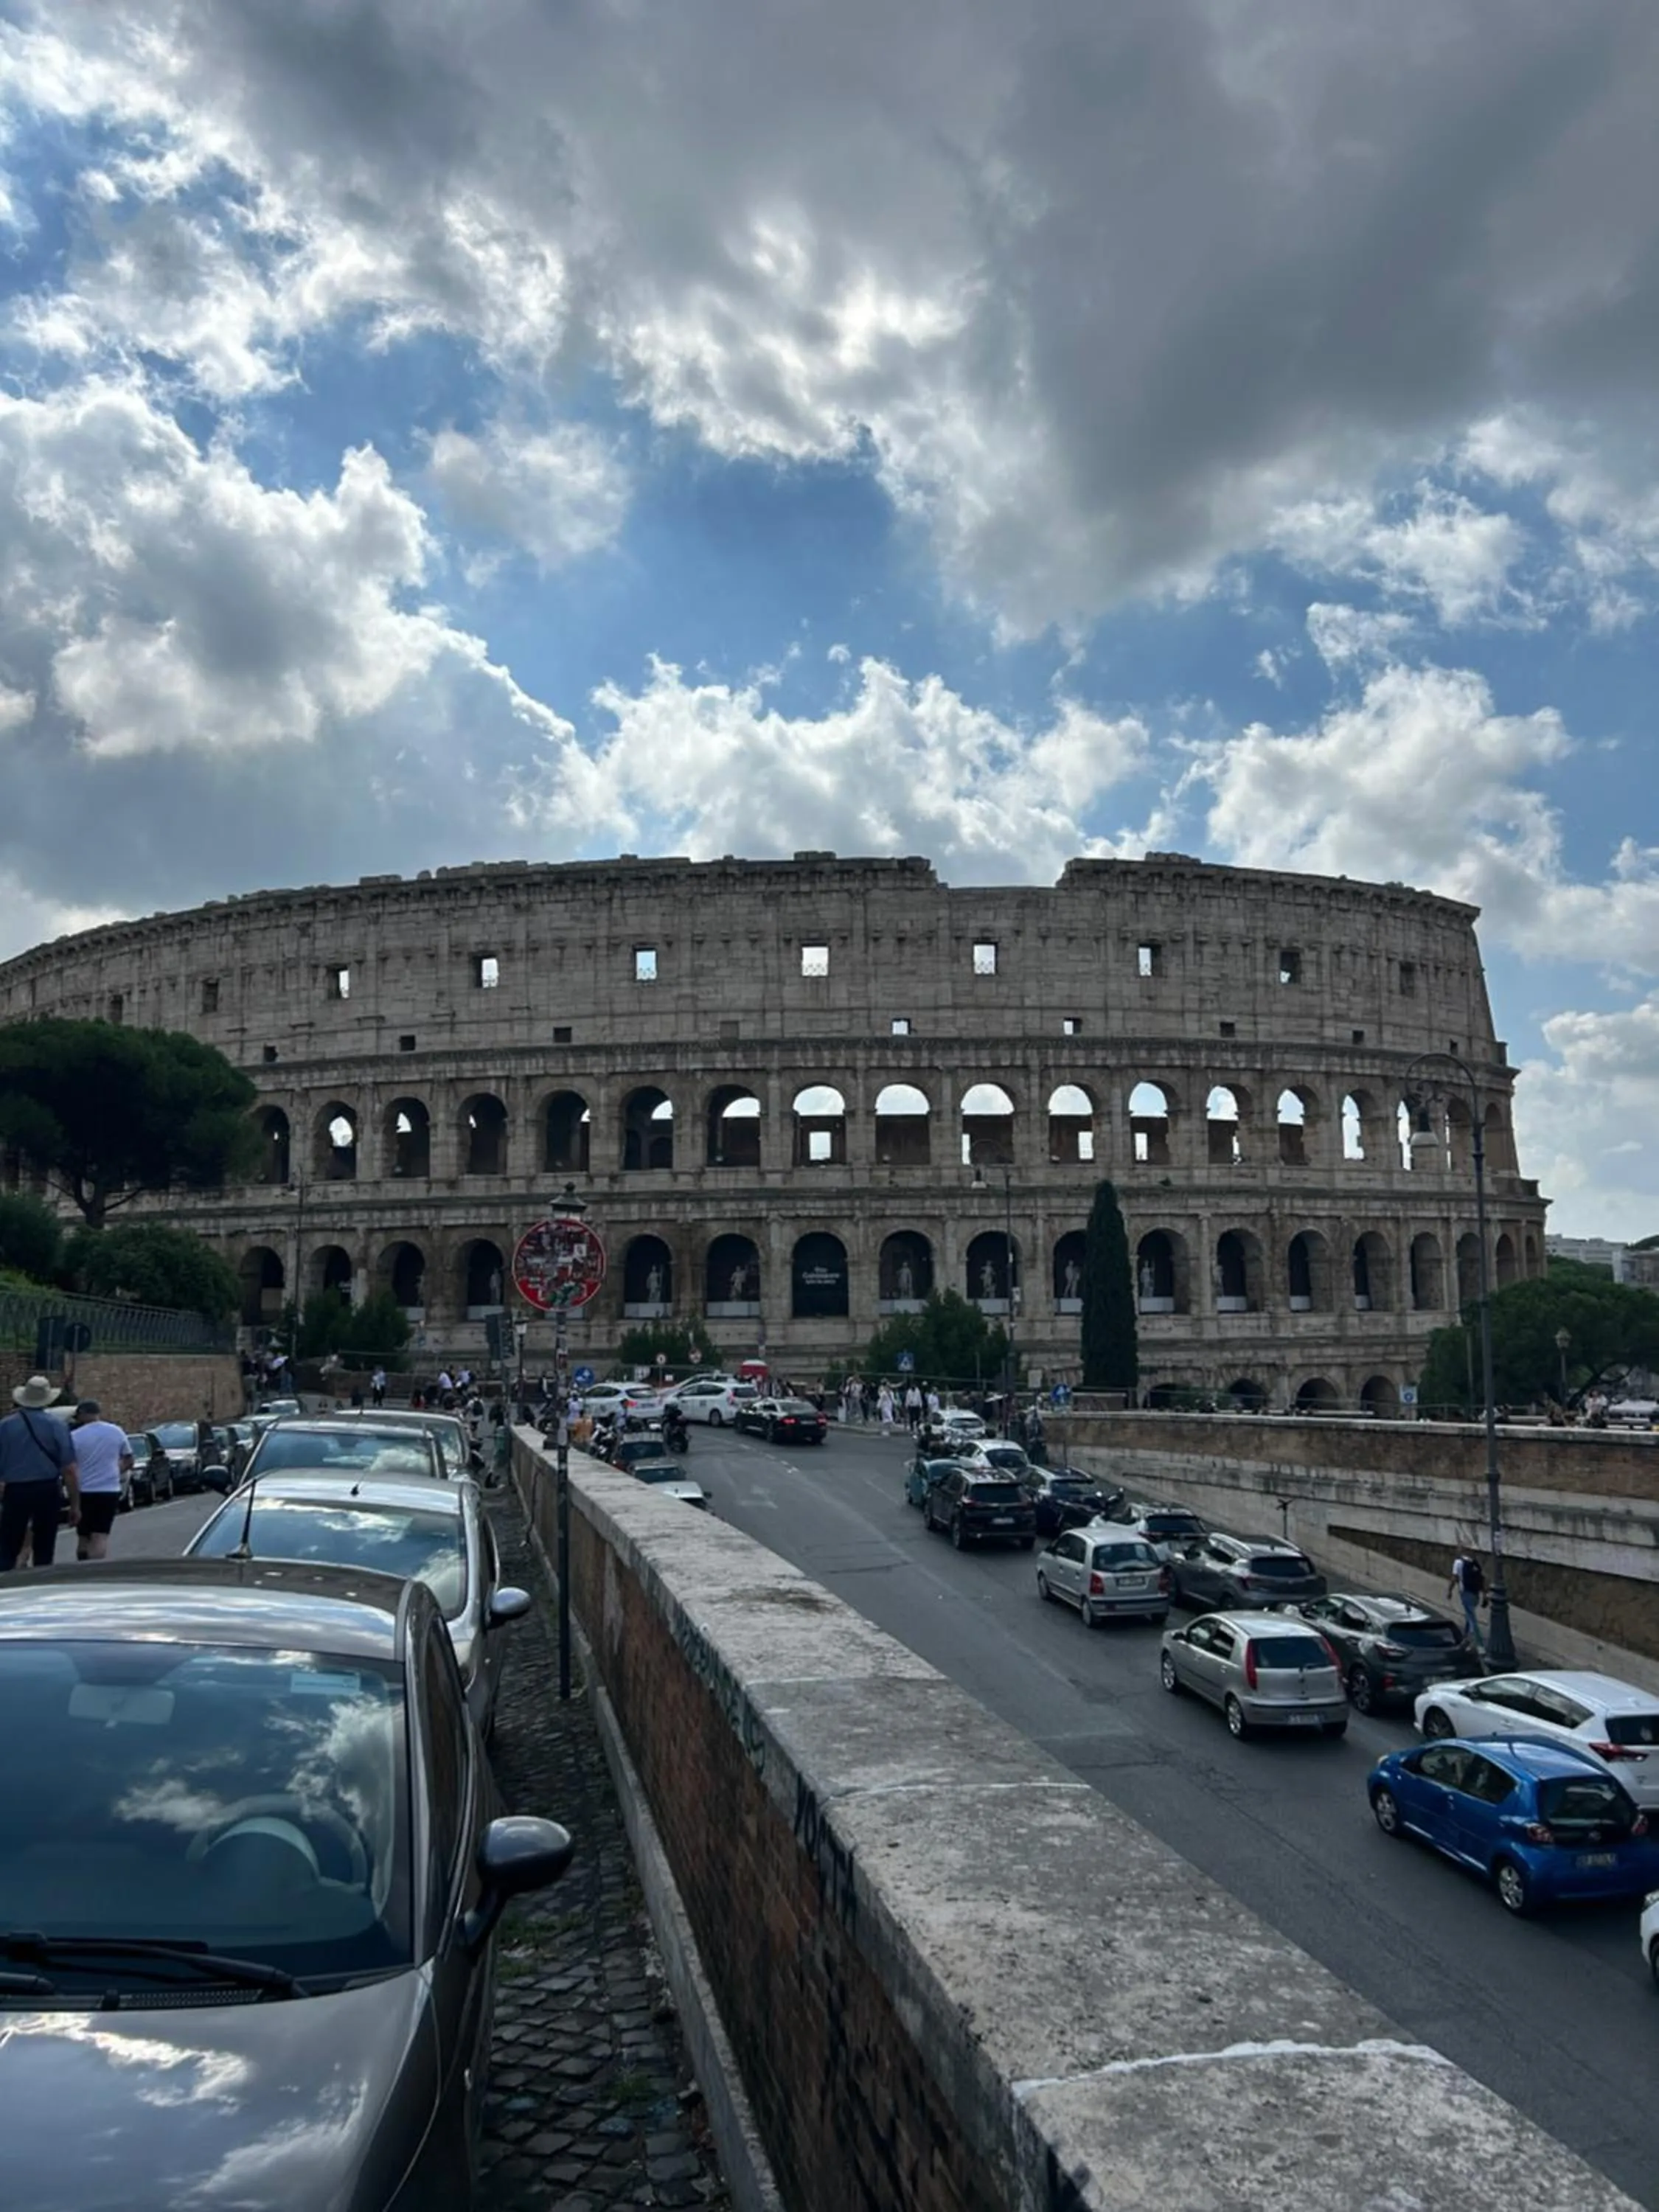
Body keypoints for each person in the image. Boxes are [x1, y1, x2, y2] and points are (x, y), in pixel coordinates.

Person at [0, 1375, 80, 1572]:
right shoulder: (57, 1426)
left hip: (15, 1490)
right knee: (45, 1544)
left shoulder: (5, 1426)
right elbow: (69, 1469)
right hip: (46, 1489)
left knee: (8, 1544)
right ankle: (42, 1581)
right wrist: (75, 1505)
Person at [69, 1399, 133, 1562]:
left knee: (83, 1536)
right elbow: (129, 1460)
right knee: (100, 1535)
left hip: (84, 1490)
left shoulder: (74, 1437)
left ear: (82, 1415)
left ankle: (82, 1565)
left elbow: (70, 1466)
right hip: (109, 1490)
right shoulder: (116, 1431)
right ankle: (94, 1569)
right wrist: (114, 1471)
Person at [1448, 1551, 1486, 1648]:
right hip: (1476, 1594)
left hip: (1466, 1593)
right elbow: (1481, 1579)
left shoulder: (1458, 1563)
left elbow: (1454, 1578)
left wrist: (1450, 1591)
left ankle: (1478, 1643)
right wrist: (1485, 1595)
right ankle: (1466, 1637)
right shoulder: (1473, 1563)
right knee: (1469, 1615)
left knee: (1471, 1618)